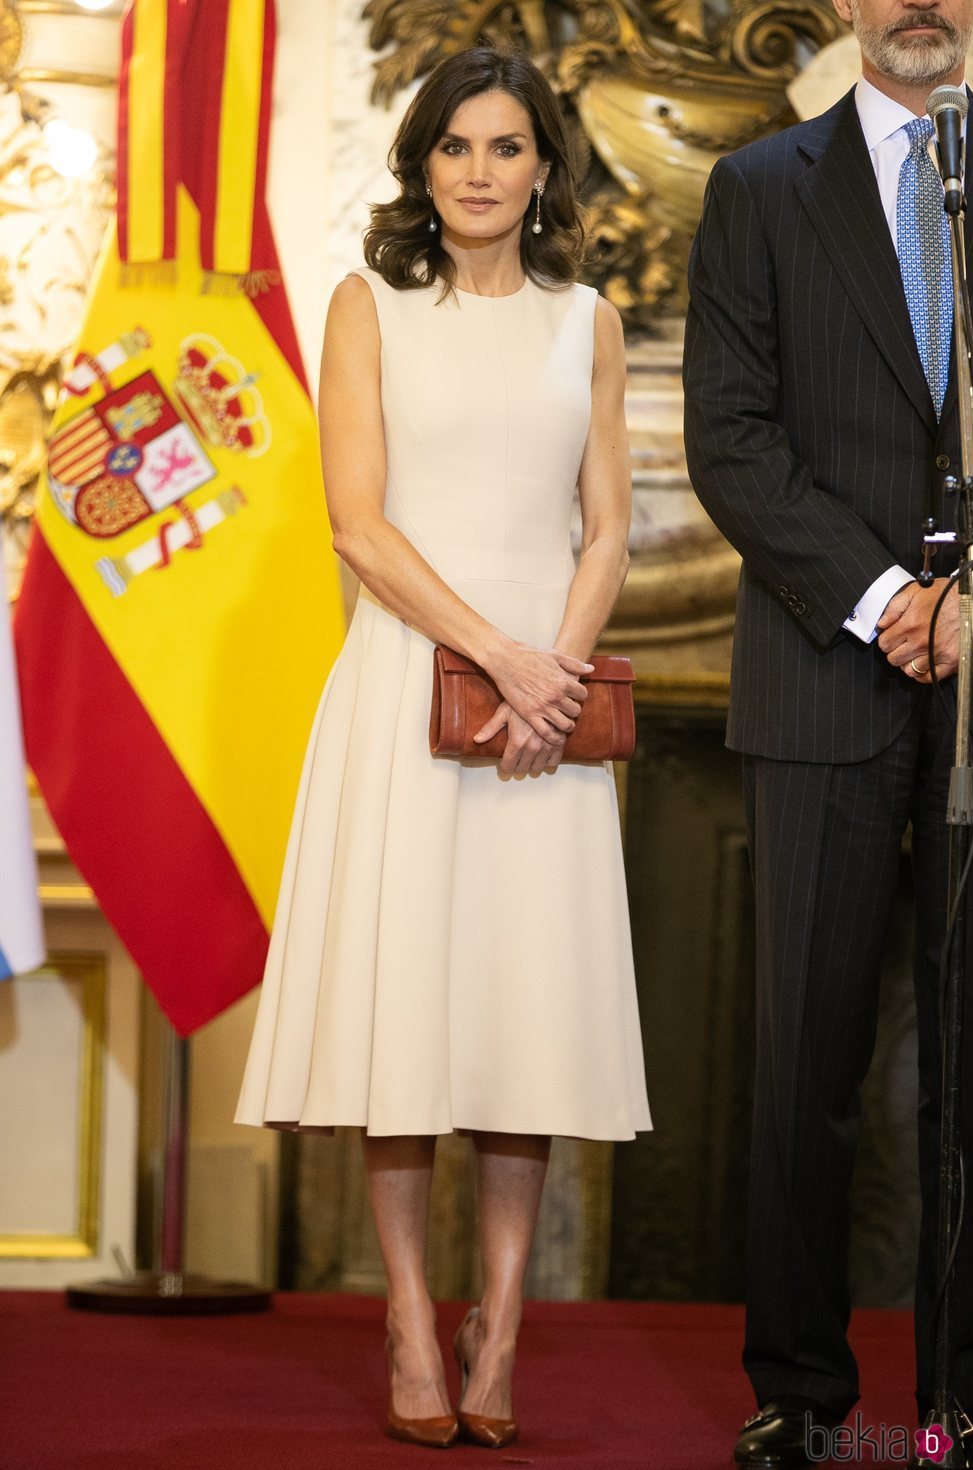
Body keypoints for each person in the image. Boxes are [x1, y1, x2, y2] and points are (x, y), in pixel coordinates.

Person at [235, 46, 651, 1451]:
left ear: (545, 170)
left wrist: (560, 666)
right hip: (413, 686)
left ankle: (505, 1323)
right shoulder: (368, 309)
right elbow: (358, 524)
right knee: (408, 1017)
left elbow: (610, 521)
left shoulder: (585, 317)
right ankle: (412, 1316)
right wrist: (504, 654)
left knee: (519, 1022)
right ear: (423, 165)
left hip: (543, 710)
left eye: (508, 147)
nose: (480, 170)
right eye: (456, 146)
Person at [683, 0, 973, 1463]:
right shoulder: (757, 191)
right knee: (808, 1062)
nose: (922, 1)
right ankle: (799, 1400)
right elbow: (730, 436)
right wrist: (888, 600)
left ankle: (963, 1405)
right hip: (821, 672)